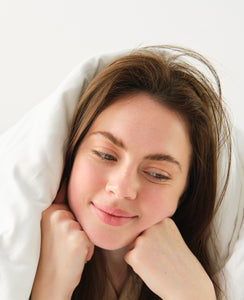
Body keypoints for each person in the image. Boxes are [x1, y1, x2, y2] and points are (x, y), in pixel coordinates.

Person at [30, 46, 231, 299]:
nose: (122, 188)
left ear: (186, 190)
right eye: (105, 155)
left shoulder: (220, 273)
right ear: (72, 153)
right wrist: (50, 289)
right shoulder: (10, 253)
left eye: (157, 174)